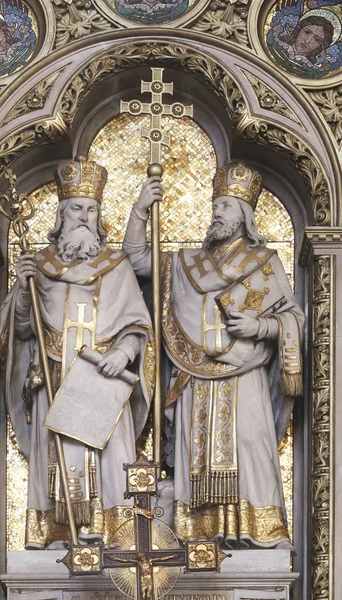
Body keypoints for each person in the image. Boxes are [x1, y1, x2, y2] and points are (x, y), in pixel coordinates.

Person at [123, 161, 304, 549]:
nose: (216, 212)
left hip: (244, 373)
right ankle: (198, 536)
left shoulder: (265, 263)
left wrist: (260, 328)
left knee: (252, 447)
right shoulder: (184, 263)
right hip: (192, 375)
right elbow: (137, 260)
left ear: (244, 215)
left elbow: (293, 318)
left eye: (225, 205)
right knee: (194, 456)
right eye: (215, 204)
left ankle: (260, 535)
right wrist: (141, 209)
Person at [0, 159, 154, 548]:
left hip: (102, 381)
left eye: (91, 209)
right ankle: (54, 535)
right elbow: (20, 329)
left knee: (110, 459)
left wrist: (122, 354)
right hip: (53, 379)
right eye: (76, 209)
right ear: (61, 214)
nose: (84, 217)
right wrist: (22, 288)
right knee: (53, 455)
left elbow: (138, 325)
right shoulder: (40, 267)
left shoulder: (116, 267)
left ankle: (113, 536)